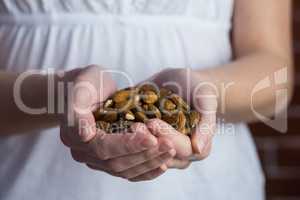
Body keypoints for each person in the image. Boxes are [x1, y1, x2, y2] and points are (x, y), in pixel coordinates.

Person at [0, 0, 293, 200]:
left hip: (208, 187)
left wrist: (207, 88)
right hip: (30, 184)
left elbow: (273, 72)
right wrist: (59, 93)